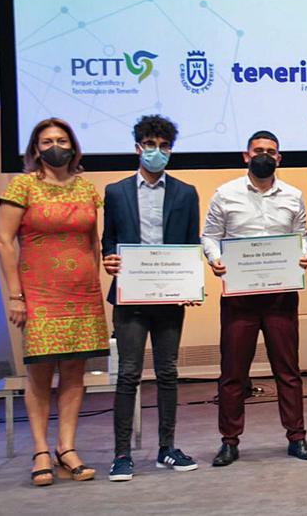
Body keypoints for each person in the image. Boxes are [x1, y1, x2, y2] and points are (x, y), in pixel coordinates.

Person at [0, 118, 108, 485]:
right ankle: (40, 450)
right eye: (47, 141)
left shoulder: (87, 190)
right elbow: (3, 240)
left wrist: (97, 281)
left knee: (75, 373)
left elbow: (93, 241)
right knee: (41, 372)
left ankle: (67, 447)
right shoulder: (22, 186)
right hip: (39, 295)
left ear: (73, 147)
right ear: (35, 148)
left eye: (61, 140)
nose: (54, 146)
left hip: (82, 294)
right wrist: (15, 294)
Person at [202, 130, 307, 465]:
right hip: (239, 298)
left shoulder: (293, 195)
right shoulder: (226, 194)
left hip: (281, 297)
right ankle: (229, 440)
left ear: (279, 158)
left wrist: (303, 254)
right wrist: (215, 259)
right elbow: (210, 237)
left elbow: (301, 236)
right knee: (233, 372)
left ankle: (297, 437)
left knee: (288, 370)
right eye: (258, 150)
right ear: (246, 156)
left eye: (271, 151)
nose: (264, 155)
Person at [100, 115, 200, 480]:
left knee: (169, 373)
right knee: (128, 374)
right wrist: (108, 258)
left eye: (164, 145)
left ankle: (166, 448)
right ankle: (121, 454)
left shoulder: (186, 193)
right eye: (150, 144)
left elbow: (191, 243)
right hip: (130, 296)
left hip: (170, 296)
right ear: (138, 147)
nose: (157, 152)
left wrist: (190, 283)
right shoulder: (116, 191)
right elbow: (108, 240)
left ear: (170, 149)